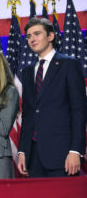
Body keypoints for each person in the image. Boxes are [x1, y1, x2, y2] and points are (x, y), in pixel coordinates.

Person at [17, 17, 86, 178]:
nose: (32, 39)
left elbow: (79, 111)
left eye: (37, 34)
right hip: (33, 157)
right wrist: (22, 150)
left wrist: (75, 150)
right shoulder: (27, 72)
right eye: (28, 36)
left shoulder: (69, 64)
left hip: (63, 155)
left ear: (50, 36)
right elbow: (28, 115)